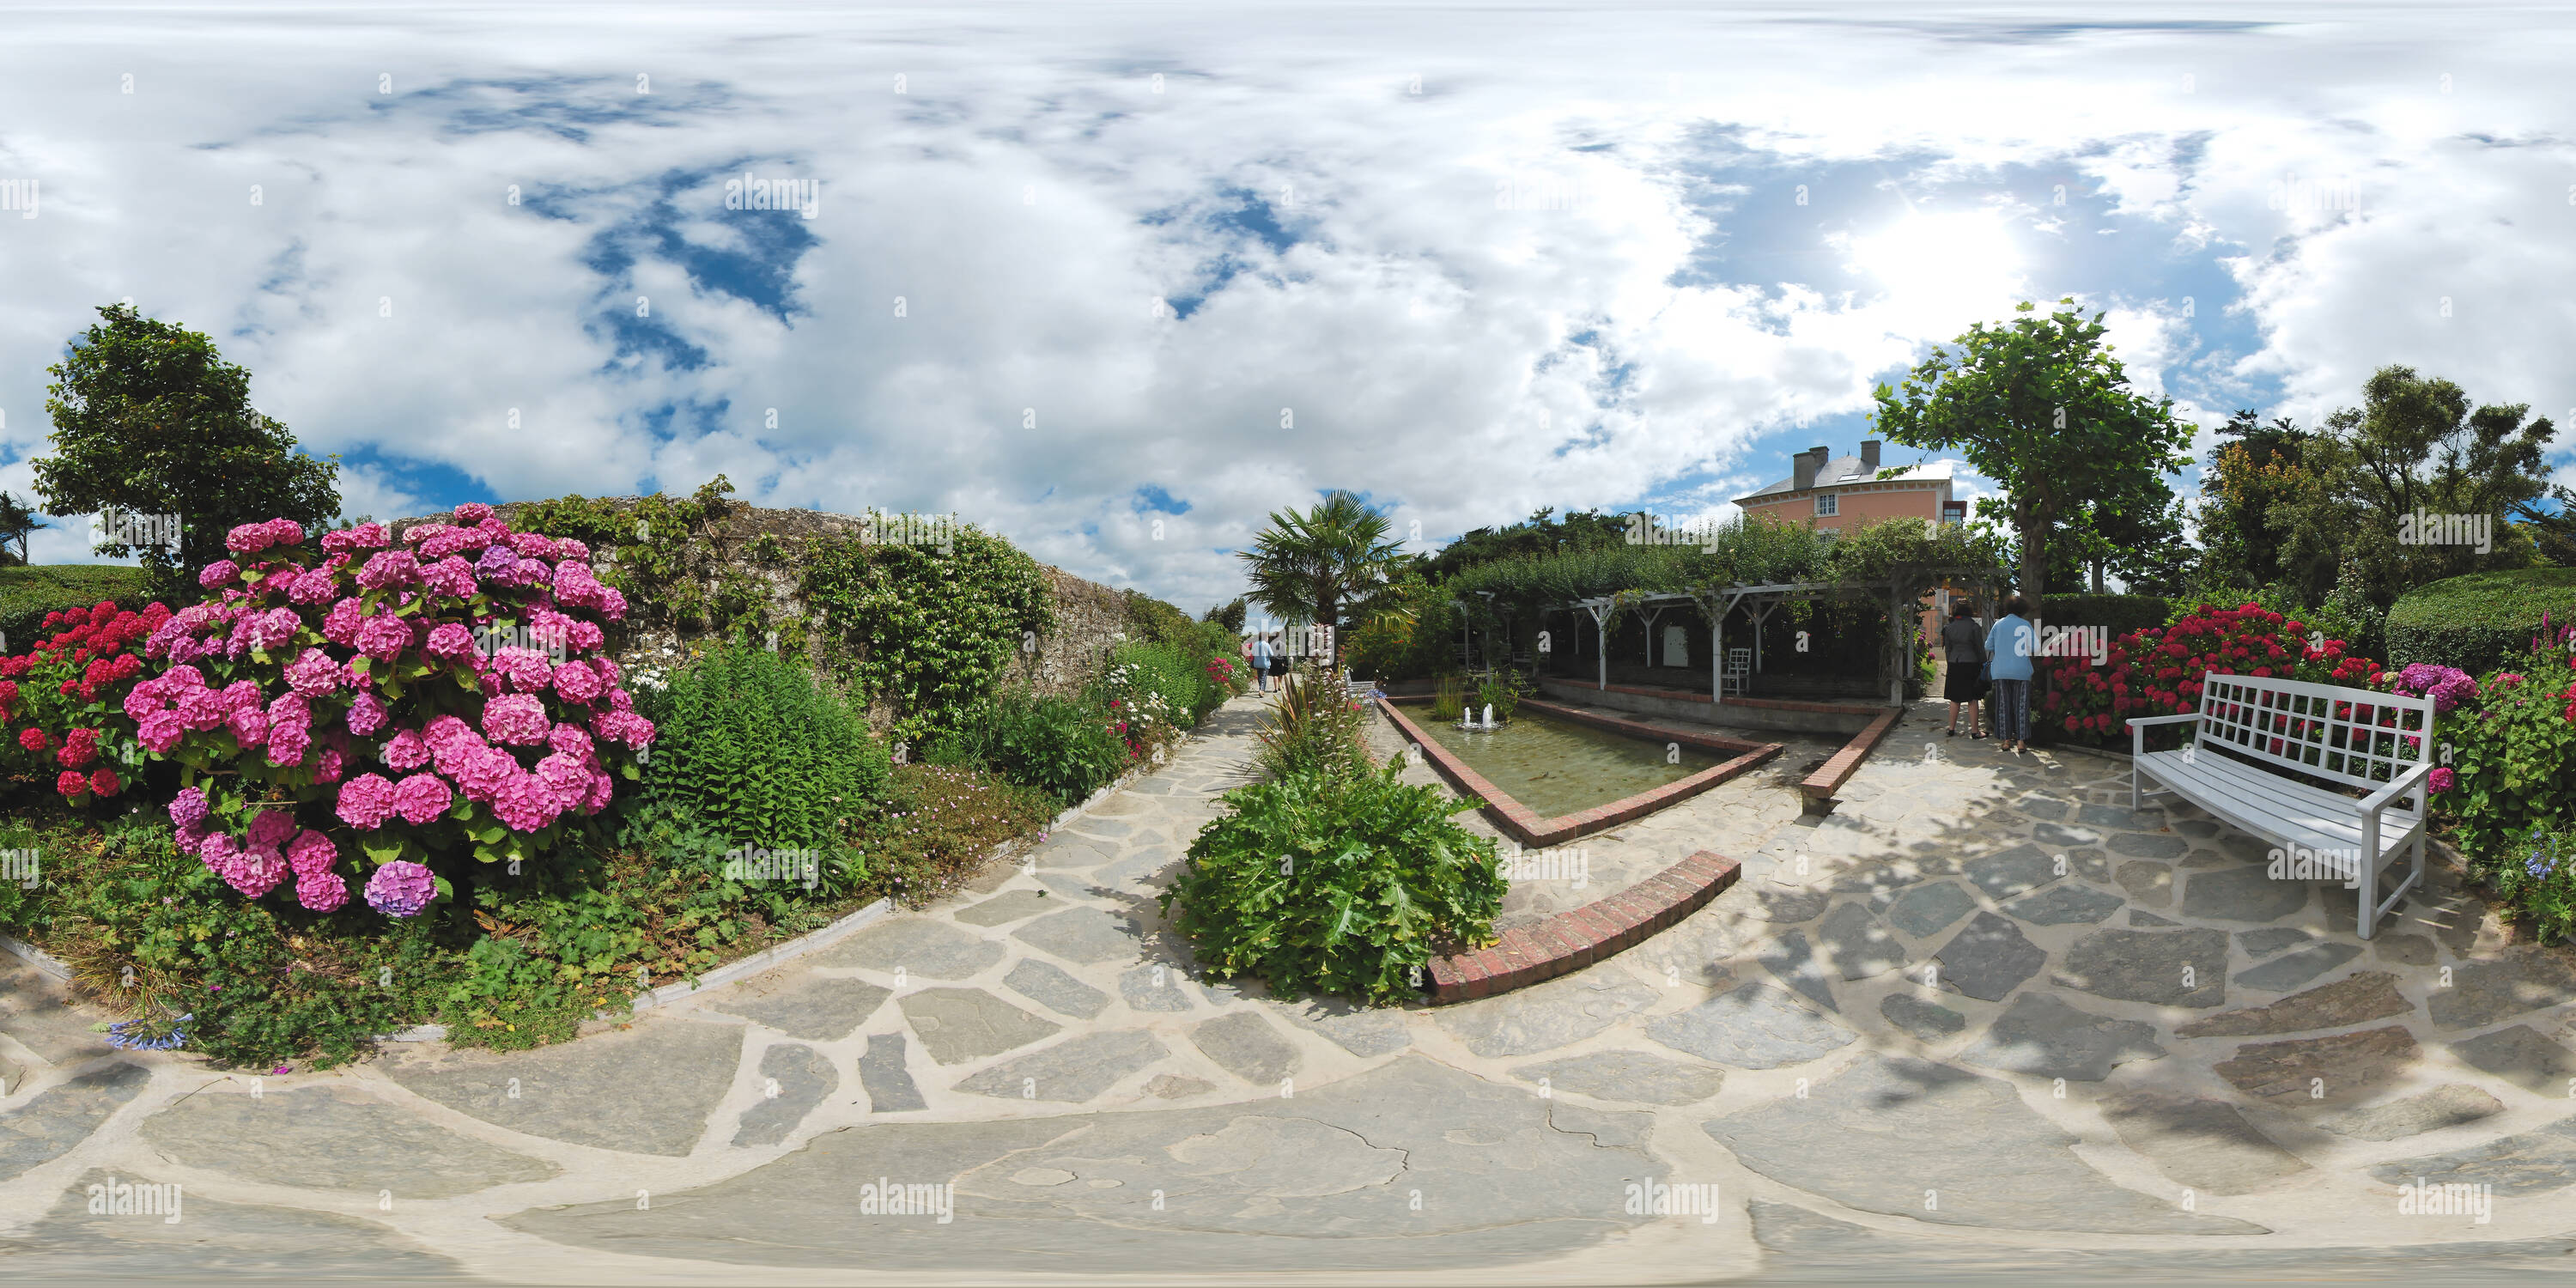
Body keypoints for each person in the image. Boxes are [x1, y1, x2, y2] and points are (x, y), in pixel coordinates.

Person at [1985, 594, 2037, 755]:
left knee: (2003, 705)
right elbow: (2034, 647)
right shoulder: (2025, 625)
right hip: (2021, 670)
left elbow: (1988, 645)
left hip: (2001, 670)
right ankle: (2021, 742)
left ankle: (2006, 741)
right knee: (2021, 706)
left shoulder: (1999, 624)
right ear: (2023, 610)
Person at [1939, 600, 1988, 739]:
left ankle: (1951, 729)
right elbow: (1979, 649)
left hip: (1954, 663)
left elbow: (1948, 650)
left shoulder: (1949, 627)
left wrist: (1951, 663)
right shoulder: (1974, 627)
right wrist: (1983, 664)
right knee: (1972, 699)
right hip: (1971, 664)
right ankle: (1975, 731)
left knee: (1955, 699)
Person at [1251, 630, 1273, 694]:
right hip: (1265, 663)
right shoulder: (1267, 645)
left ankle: (1263, 690)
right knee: (1263, 677)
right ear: (1265, 637)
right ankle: (1261, 690)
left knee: (1260, 677)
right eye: (1268, 637)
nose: (1268, 638)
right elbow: (1271, 654)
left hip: (1257, 663)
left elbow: (1252, 653)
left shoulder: (1255, 644)